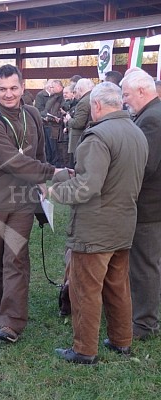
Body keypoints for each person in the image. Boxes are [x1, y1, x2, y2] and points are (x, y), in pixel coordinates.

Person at [50, 82, 148, 364]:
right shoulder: (136, 132)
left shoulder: (97, 136)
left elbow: (86, 187)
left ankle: (84, 349)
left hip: (95, 228)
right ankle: (121, 340)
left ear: (96, 105)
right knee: (118, 286)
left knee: (85, 291)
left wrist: (55, 191)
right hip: (124, 223)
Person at [0, 64, 61, 343]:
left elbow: (39, 150)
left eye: (13, 88)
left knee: (17, 259)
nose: (8, 94)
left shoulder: (32, 113)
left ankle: (11, 323)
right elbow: (14, 161)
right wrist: (51, 173)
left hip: (22, 201)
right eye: (2, 89)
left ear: (23, 88)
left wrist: (40, 182)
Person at [121, 70, 161, 340]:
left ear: (142, 92)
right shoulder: (152, 114)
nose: (124, 100)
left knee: (145, 265)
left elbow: (144, 166)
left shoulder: (152, 120)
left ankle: (144, 324)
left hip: (149, 205)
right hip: (152, 203)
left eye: (126, 94)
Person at [64, 78, 94, 166]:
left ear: (80, 89)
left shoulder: (83, 102)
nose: (75, 93)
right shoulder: (92, 98)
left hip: (80, 139)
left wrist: (69, 119)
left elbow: (78, 123)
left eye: (75, 90)